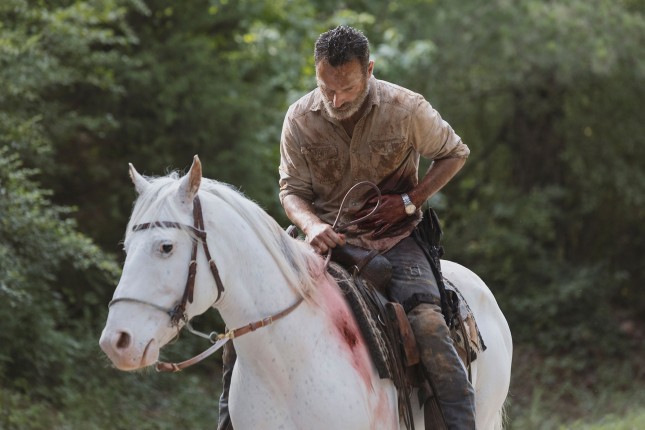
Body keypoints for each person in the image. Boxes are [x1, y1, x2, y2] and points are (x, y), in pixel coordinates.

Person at [218, 25, 474, 430]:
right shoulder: (299, 118)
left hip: (395, 240)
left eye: (348, 88)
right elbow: (291, 190)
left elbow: (454, 153)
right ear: (316, 73)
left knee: (428, 325)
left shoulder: (406, 108)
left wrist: (410, 200)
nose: (336, 100)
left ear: (369, 70)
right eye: (326, 88)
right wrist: (311, 224)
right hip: (322, 244)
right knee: (247, 321)